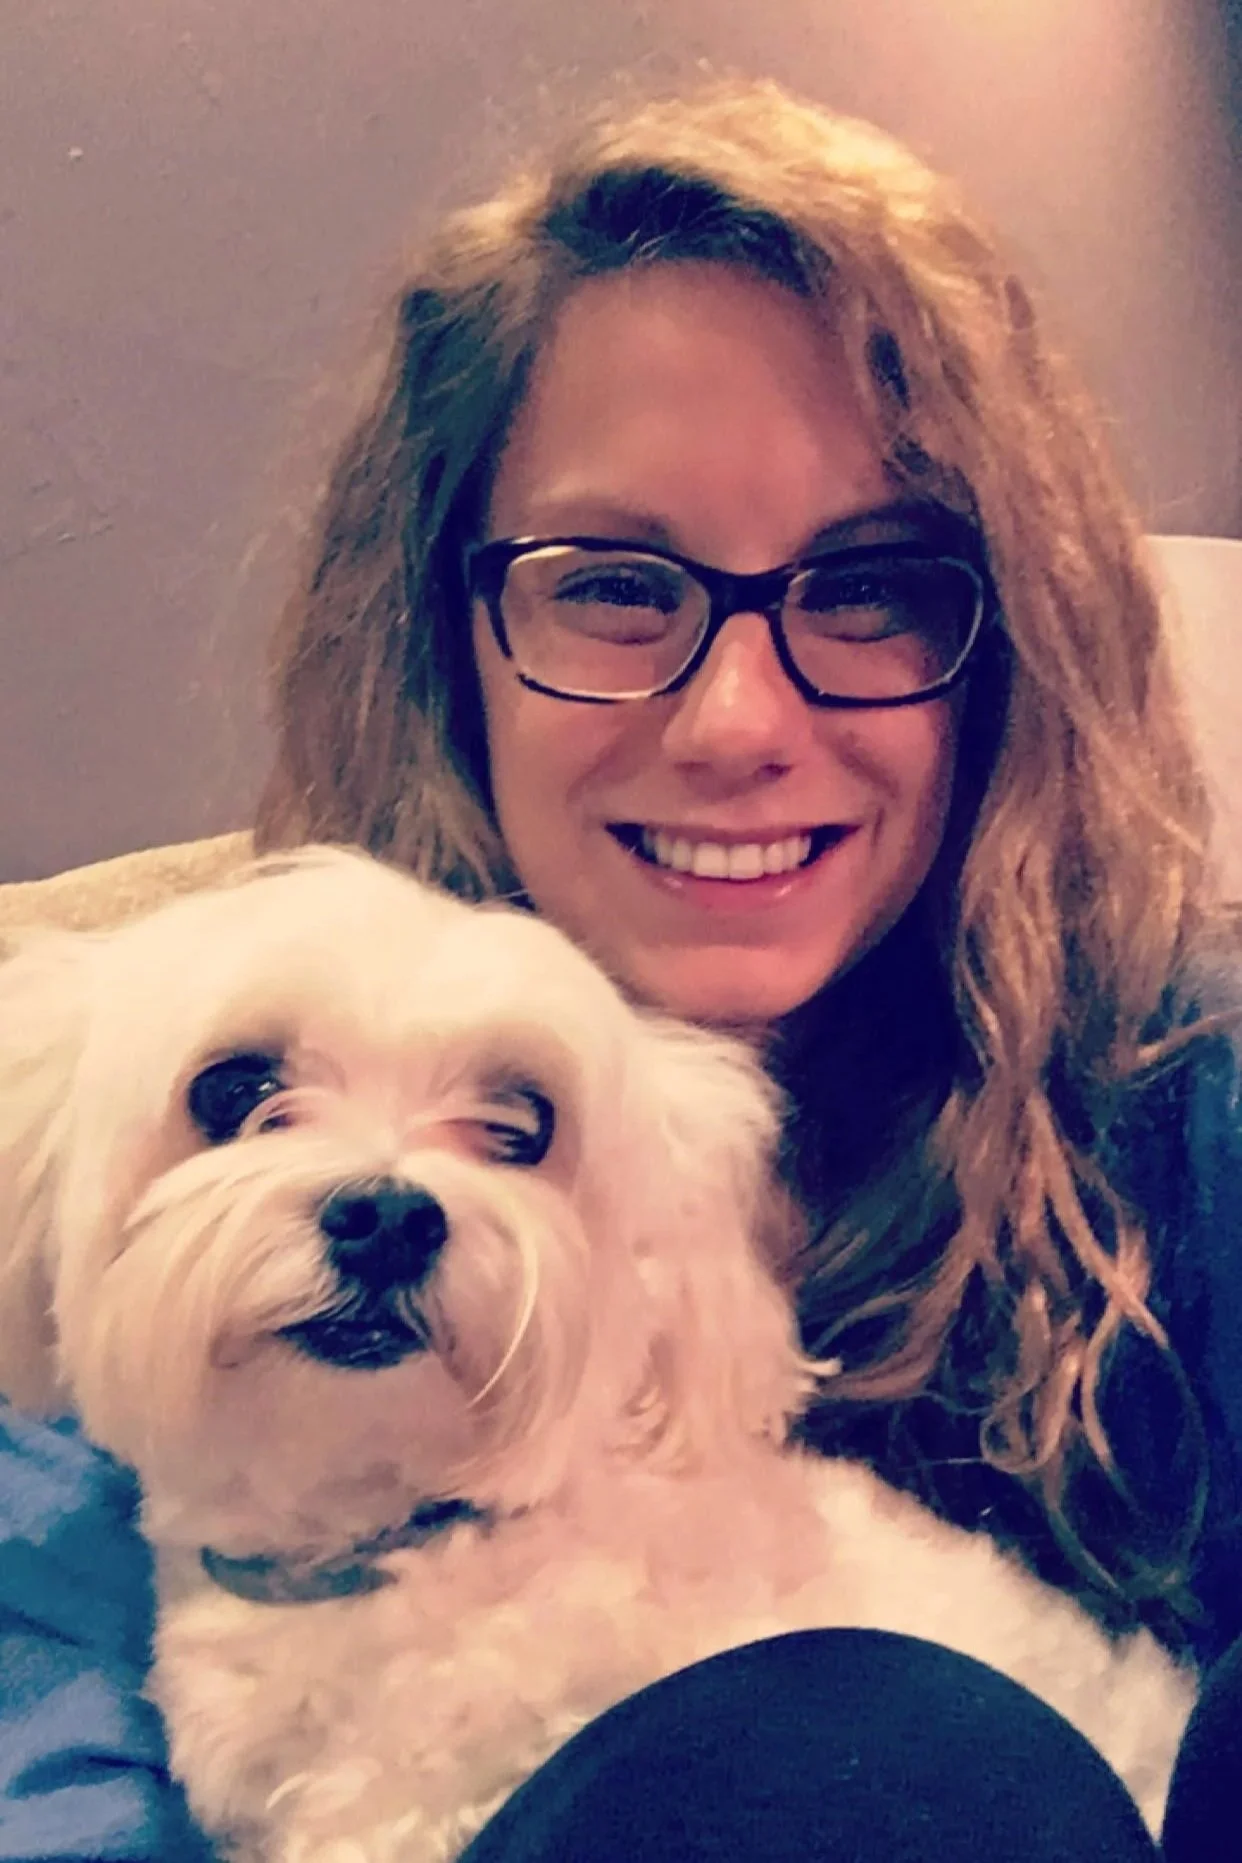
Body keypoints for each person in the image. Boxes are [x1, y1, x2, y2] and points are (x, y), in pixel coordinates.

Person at [1, 76, 1238, 1862]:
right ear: (451, 626)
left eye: (872, 586)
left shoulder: (1181, 1117)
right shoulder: (123, 1361)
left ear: (1006, 643)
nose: (740, 720)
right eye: (614, 582)